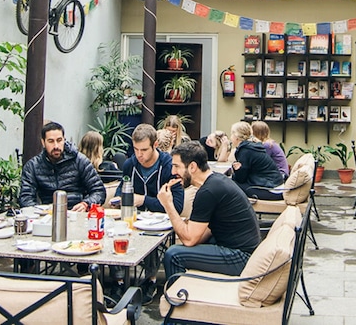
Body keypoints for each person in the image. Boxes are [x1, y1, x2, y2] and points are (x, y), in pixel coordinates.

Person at [158, 141, 261, 280]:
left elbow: (189, 240)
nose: (173, 172)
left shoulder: (208, 191)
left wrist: (168, 205)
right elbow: (203, 232)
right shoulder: (216, 181)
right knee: (191, 245)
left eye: (177, 166)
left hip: (241, 257)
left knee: (173, 255)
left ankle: (179, 293)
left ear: (192, 167)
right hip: (244, 250)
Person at [111, 124, 184, 304]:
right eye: (136, 149)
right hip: (133, 217)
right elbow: (122, 188)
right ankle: (118, 281)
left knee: (150, 234)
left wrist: (143, 200)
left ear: (155, 145)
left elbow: (177, 205)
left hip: (159, 220)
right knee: (114, 231)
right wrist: (119, 198)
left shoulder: (169, 167)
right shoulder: (130, 164)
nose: (139, 154)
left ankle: (150, 280)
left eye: (144, 150)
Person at [19, 121, 105, 211]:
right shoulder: (33, 166)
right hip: (48, 214)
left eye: (59, 140)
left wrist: (86, 204)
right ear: (43, 142)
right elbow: (26, 198)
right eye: (51, 141)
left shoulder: (80, 161)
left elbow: (99, 191)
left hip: (76, 212)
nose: (56, 146)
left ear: (64, 139)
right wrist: (40, 211)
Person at [229, 121, 284, 200]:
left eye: (231, 134)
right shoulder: (252, 147)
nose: (230, 137)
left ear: (236, 137)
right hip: (277, 187)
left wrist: (237, 170)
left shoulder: (245, 151)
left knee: (229, 184)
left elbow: (241, 178)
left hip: (271, 190)